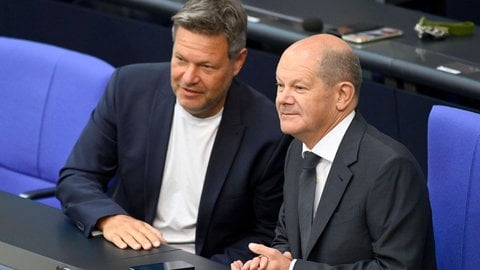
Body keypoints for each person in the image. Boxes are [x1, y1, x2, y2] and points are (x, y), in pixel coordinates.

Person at [56, 0, 291, 265]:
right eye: (180, 59)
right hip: (121, 255)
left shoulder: (269, 129)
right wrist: (109, 218)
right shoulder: (129, 88)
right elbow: (77, 176)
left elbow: (265, 233)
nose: (188, 77)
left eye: (206, 66)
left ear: (238, 62)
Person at [231, 34, 437, 269]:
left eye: (299, 87)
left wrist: (292, 269)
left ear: (342, 95)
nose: (283, 99)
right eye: (280, 85)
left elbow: (396, 268)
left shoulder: (390, 168)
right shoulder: (298, 149)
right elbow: (286, 239)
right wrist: (267, 263)